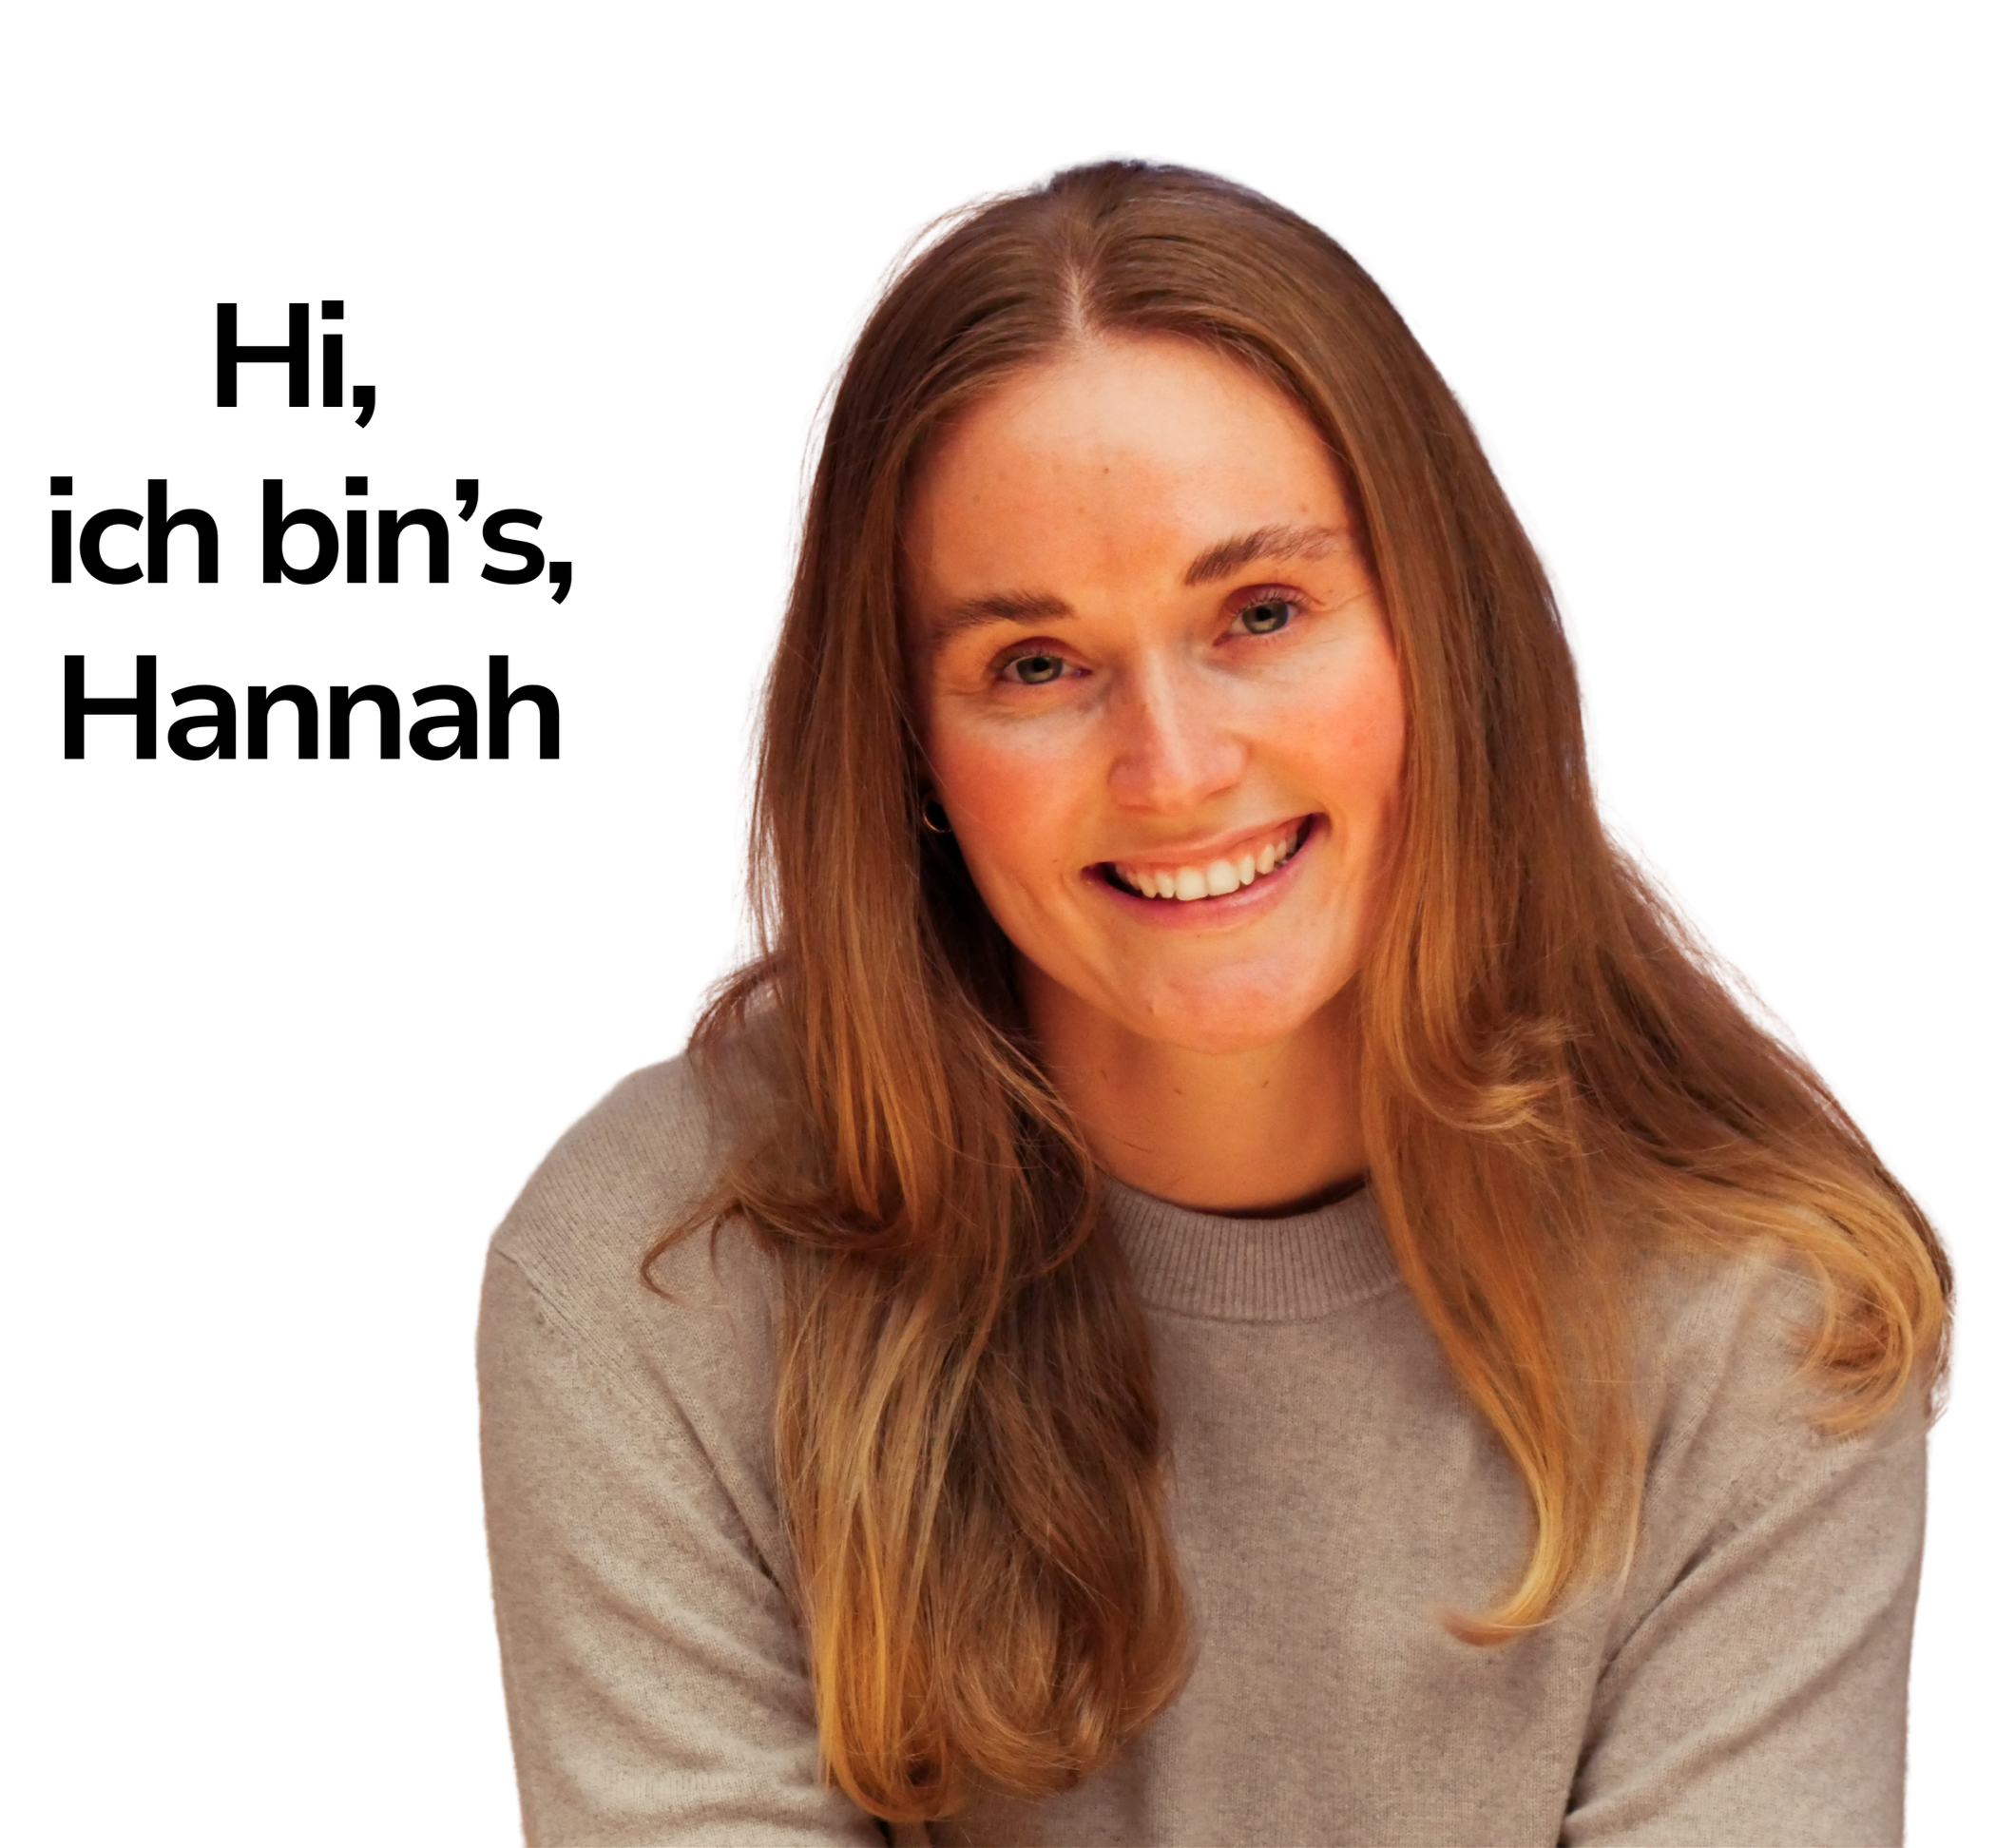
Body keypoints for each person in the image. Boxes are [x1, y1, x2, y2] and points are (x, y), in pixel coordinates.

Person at [474, 155, 1958, 1845]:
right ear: (907, 751)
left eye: (1260, 612)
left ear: (1440, 636)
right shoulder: (652, 1274)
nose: (1173, 770)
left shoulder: (1772, 1311)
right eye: (1035, 664)